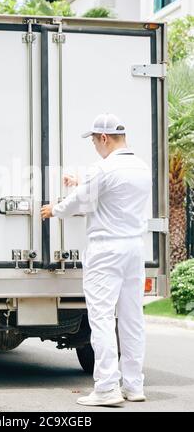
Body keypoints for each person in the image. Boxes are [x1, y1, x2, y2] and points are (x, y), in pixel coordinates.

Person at [41, 113, 152, 407]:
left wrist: (56, 210)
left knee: (101, 318)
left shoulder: (101, 169)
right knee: (132, 320)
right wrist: (81, 182)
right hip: (133, 249)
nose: (94, 147)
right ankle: (133, 385)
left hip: (106, 251)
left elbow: (82, 202)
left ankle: (106, 388)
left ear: (104, 138)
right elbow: (111, 194)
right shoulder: (141, 168)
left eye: (93, 141)